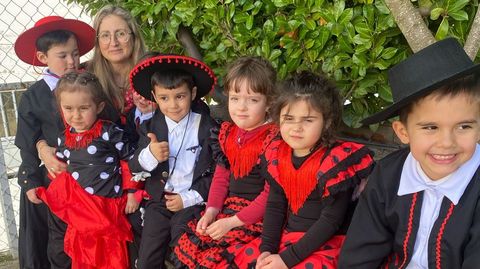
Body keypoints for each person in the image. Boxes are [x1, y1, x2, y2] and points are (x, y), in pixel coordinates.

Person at [338, 38, 480, 268]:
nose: (447, 143)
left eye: (464, 126)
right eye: (430, 127)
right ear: (403, 132)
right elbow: (359, 255)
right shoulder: (387, 176)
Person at [227, 71, 375, 269]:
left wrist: (286, 260)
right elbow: (275, 205)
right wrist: (267, 249)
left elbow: (331, 221)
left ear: (327, 122)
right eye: (288, 118)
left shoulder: (335, 163)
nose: (296, 127)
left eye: (308, 120)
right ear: (277, 117)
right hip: (287, 238)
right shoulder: (276, 154)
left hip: (323, 244)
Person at [172, 56, 279, 269]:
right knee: (195, 245)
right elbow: (221, 178)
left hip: (258, 218)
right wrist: (211, 211)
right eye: (235, 98)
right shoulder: (228, 134)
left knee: (225, 259)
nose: (242, 107)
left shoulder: (273, 139)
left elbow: (271, 195)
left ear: (269, 102)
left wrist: (231, 223)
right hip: (227, 211)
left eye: (253, 100)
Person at [14, 15, 95, 269]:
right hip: (54, 178)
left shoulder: (90, 85)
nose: (71, 61)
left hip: (92, 174)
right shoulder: (33, 96)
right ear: (42, 58)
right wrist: (30, 181)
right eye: (62, 56)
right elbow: (27, 141)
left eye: (75, 54)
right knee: (55, 244)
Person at [36, 71, 137, 269]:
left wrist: (133, 192)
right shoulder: (63, 138)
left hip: (105, 204)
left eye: (83, 108)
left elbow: (130, 161)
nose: (76, 115)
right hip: (80, 207)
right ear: (61, 108)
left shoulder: (109, 133)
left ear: (98, 107)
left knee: (110, 255)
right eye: (68, 108)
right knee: (83, 254)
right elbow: (63, 168)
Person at [128, 54, 218, 269]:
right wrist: (151, 154)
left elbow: (217, 173)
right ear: (154, 97)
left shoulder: (208, 128)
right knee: (149, 252)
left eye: (180, 96)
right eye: (164, 98)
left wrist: (187, 199)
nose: (173, 105)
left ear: (193, 93)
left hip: (191, 201)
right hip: (159, 202)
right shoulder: (150, 129)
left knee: (185, 248)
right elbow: (134, 166)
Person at [88, 4, 146, 117]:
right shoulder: (86, 78)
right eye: (105, 35)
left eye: (121, 34)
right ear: (97, 42)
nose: (114, 43)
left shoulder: (152, 71)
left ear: (134, 37)